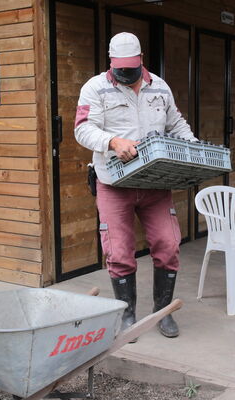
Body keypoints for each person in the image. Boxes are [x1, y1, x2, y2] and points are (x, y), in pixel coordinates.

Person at [74, 32, 196, 339]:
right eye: (120, 68)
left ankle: (162, 313)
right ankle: (127, 315)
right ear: (111, 62)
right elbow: (83, 129)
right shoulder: (96, 88)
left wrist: (191, 145)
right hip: (114, 183)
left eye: (131, 68)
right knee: (119, 252)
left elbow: (176, 123)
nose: (125, 74)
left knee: (168, 246)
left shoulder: (160, 86)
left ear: (141, 60)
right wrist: (112, 141)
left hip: (156, 183)